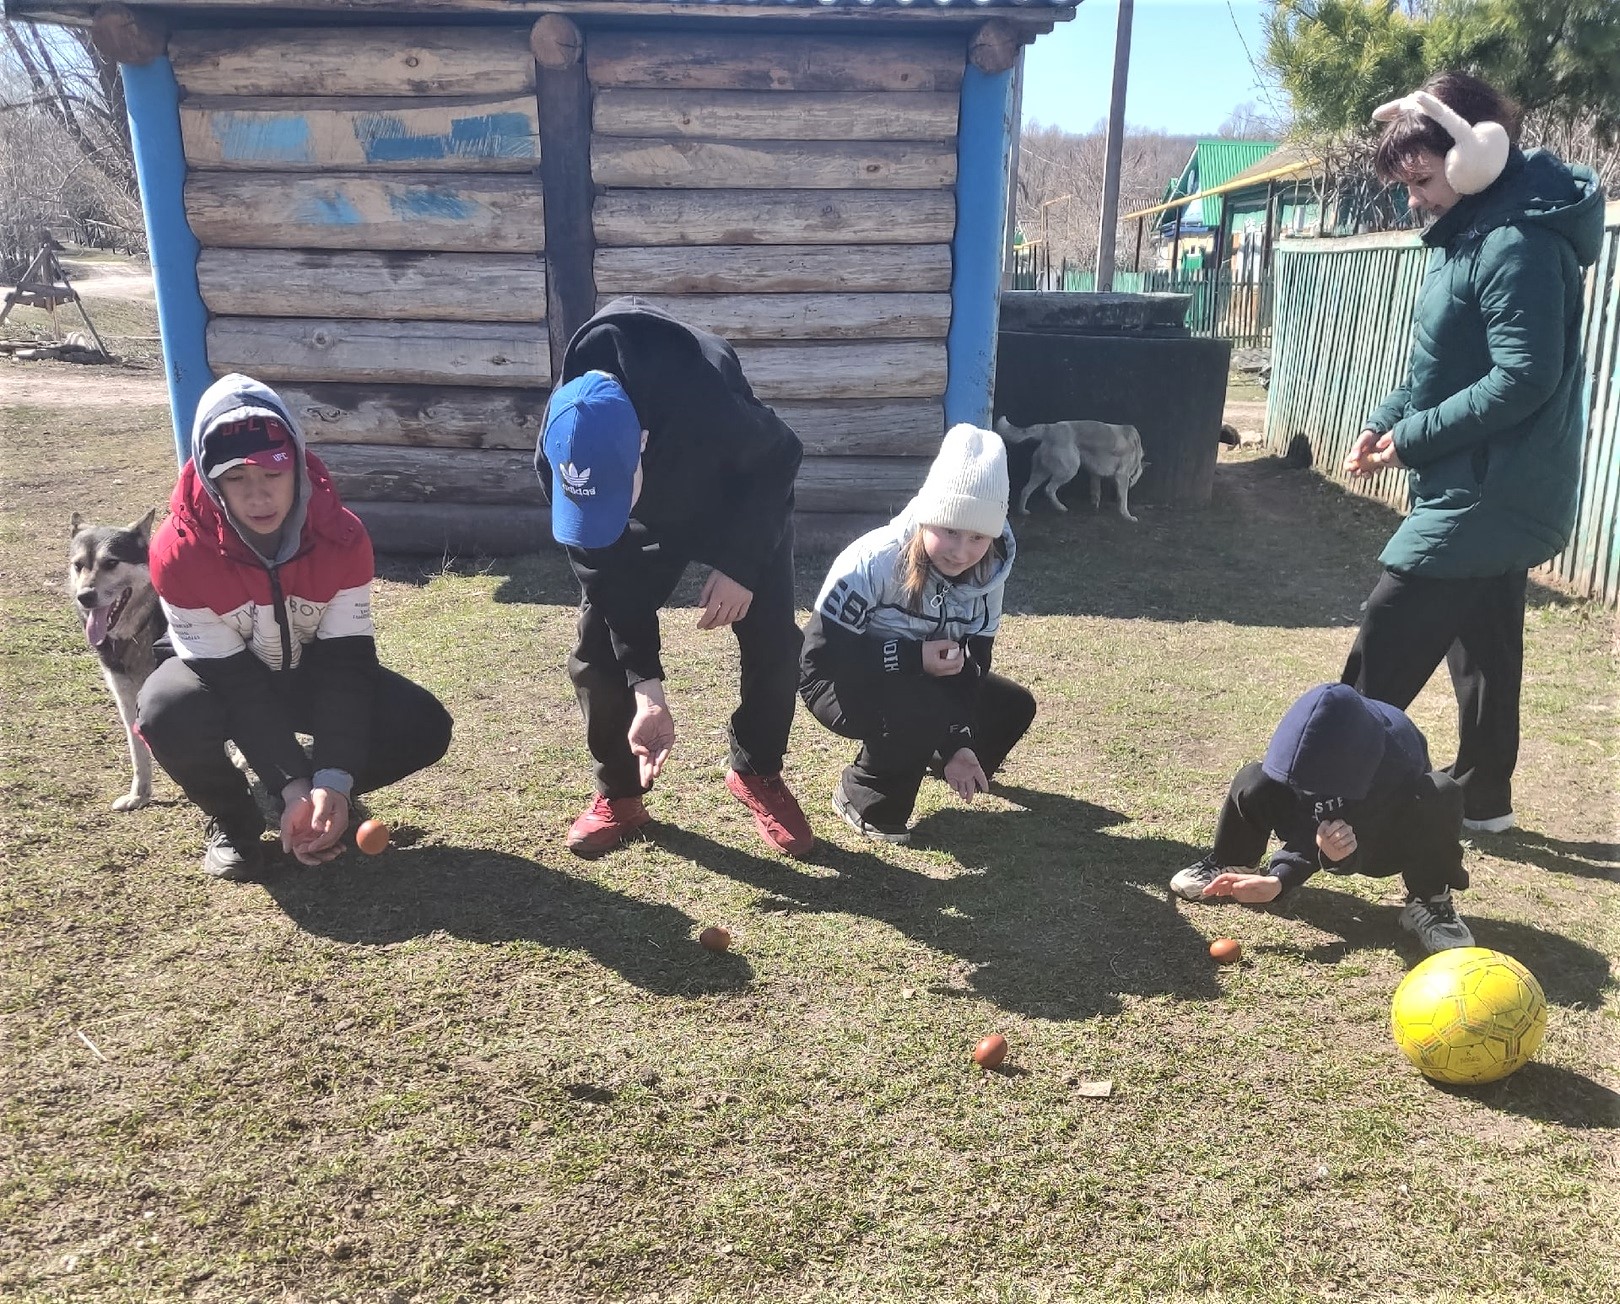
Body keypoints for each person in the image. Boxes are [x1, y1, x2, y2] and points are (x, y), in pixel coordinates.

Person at [1340, 71, 1604, 834]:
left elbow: (1523, 379)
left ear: (1476, 154)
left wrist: (1411, 440)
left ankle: (1316, 792)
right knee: (1486, 642)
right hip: (1487, 481)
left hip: (1491, 487)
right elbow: (1441, 366)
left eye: (1421, 180)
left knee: (1385, 636)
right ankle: (1484, 797)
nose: (1414, 199)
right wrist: (1389, 417)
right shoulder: (1472, 234)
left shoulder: (1516, 242)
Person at [137, 375, 453, 879]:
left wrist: (330, 782)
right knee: (166, 710)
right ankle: (235, 820)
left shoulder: (344, 537)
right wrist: (290, 784)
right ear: (209, 478)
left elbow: (346, 669)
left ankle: (324, 805)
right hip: (218, 677)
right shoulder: (176, 553)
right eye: (237, 478)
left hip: (304, 668)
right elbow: (237, 684)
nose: (259, 496)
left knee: (423, 725)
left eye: (273, 474)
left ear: (299, 467)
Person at [535, 297, 813, 858]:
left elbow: (781, 455)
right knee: (596, 650)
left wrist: (738, 565)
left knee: (775, 642)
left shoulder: (707, 403)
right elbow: (603, 570)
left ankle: (757, 769)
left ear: (642, 444)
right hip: (644, 513)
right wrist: (648, 688)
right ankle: (620, 792)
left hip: (736, 498)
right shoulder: (564, 438)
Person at [799, 424, 1036, 844]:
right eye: (948, 529)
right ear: (928, 514)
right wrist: (911, 658)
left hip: (921, 675)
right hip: (838, 680)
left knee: (1013, 706)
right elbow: (820, 661)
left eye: (978, 536)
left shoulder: (989, 575)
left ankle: (933, 754)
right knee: (922, 706)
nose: (961, 552)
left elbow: (974, 665)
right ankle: (862, 793)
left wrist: (960, 740)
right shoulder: (871, 561)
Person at [1170, 684, 1473, 954]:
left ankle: (1430, 898)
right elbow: (1308, 812)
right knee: (1255, 778)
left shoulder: (1394, 757)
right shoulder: (1312, 734)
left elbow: (1334, 824)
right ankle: (1234, 860)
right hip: (1336, 809)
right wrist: (1278, 878)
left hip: (1382, 831)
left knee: (1440, 793)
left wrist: (1286, 877)